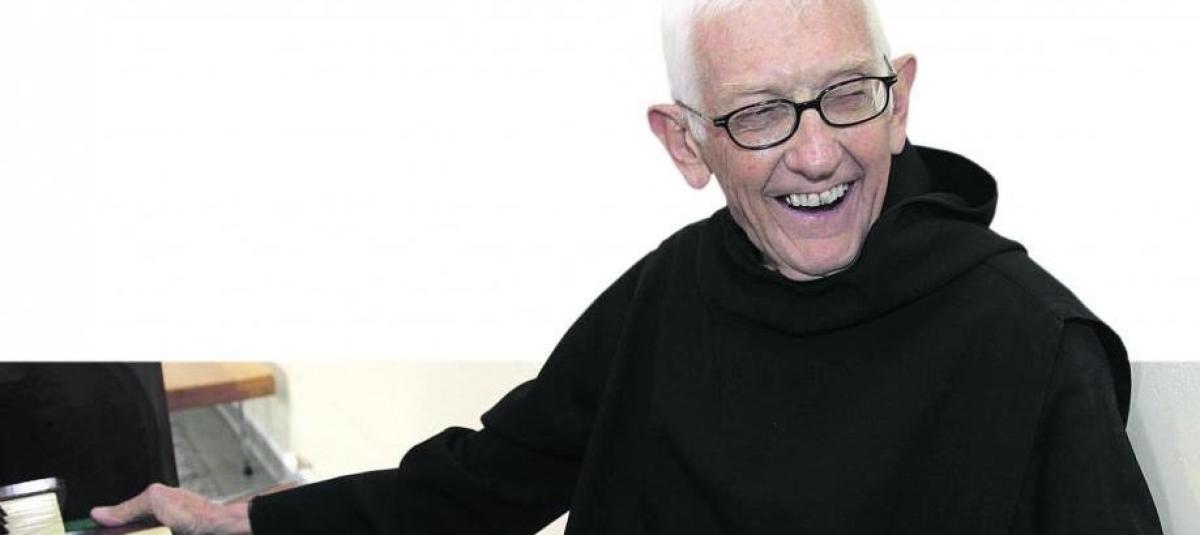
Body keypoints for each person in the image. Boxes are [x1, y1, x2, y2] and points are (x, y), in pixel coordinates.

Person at [92, 0, 1164, 533]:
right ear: (684, 144)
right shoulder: (671, 290)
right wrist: (253, 517)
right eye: (758, 114)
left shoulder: (1033, 344)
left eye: (847, 96)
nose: (816, 153)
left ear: (901, 101)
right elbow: (486, 480)